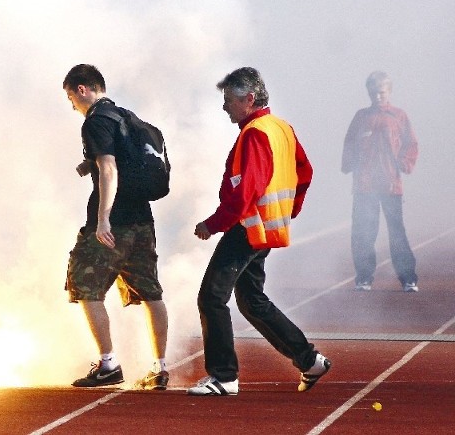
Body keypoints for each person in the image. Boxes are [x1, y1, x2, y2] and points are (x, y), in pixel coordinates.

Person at [187, 67, 330, 396]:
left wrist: (214, 224)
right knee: (252, 300)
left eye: (229, 100)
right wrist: (289, 211)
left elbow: (248, 189)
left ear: (249, 99)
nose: (225, 107)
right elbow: (304, 172)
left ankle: (224, 376)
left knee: (211, 298)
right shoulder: (281, 128)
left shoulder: (255, 133)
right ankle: (309, 360)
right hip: (265, 227)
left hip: (246, 228)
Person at [62, 64, 169, 390]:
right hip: (143, 221)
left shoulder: (96, 121)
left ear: (82, 89)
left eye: (70, 98)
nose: (72, 106)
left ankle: (108, 363)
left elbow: (109, 168)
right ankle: (160, 367)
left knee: (82, 282)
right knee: (150, 292)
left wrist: (103, 218)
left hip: (115, 222)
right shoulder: (127, 118)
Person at [341, 71, 419, 292]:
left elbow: (411, 143)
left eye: (381, 92)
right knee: (363, 232)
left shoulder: (398, 116)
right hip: (364, 186)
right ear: (368, 92)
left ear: (389, 92)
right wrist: (348, 165)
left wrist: (404, 164)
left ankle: (408, 278)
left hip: (390, 185)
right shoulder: (361, 117)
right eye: (373, 92)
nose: (377, 97)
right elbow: (349, 144)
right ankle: (364, 277)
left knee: (397, 232)